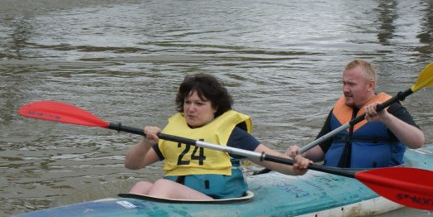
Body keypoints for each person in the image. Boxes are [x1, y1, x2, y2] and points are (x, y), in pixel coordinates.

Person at [124, 73, 310, 201]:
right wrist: (145, 143)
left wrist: (297, 167)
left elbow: (270, 159)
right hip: (181, 197)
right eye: (188, 102)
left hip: (217, 201)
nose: (191, 109)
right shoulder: (174, 131)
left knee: (163, 186)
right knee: (141, 186)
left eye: (199, 103)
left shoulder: (231, 134)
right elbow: (132, 165)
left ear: (215, 107)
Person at [291, 59, 425, 169]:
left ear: (370, 85)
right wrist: (301, 153)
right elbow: (321, 148)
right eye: (344, 83)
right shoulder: (338, 111)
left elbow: (417, 141)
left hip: (375, 180)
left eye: (351, 84)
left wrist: (386, 118)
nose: (345, 89)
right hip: (334, 178)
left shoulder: (390, 109)